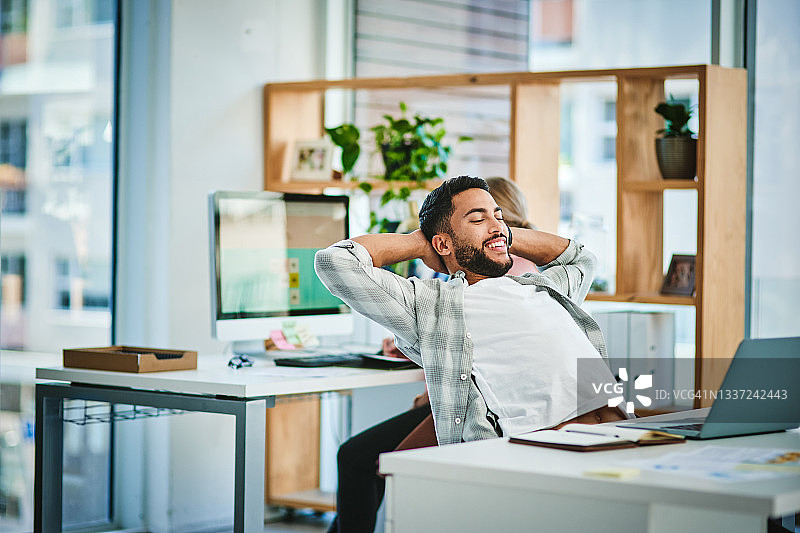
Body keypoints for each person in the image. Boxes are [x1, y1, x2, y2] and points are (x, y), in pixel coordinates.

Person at [316, 176, 623, 532]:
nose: (496, 224)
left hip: (623, 436)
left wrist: (499, 233)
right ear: (443, 242)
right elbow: (335, 262)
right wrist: (421, 242)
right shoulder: (432, 303)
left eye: (498, 215)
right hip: (555, 454)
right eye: (477, 218)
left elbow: (582, 258)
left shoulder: (538, 286)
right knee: (377, 462)